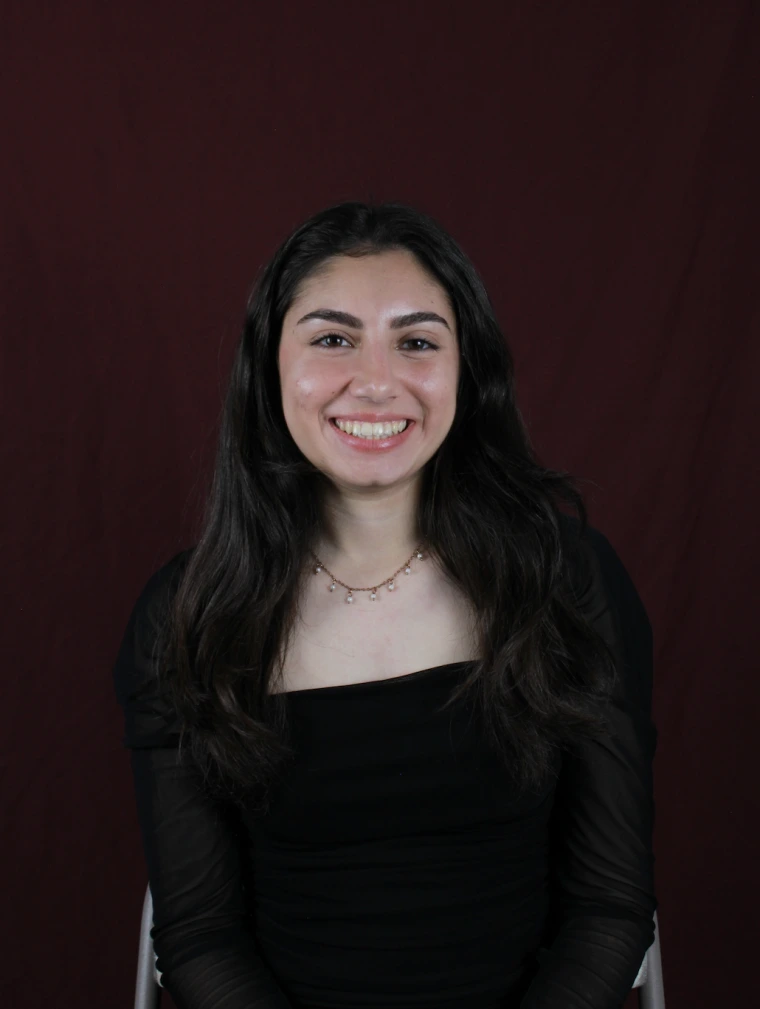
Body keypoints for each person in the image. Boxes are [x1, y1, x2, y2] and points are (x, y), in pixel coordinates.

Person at [113, 201, 658, 1009]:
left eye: (417, 341)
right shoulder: (188, 617)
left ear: (465, 371)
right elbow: (200, 937)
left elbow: (610, 910)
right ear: (270, 367)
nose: (376, 380)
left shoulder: (566, 582)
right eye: (332, 338)